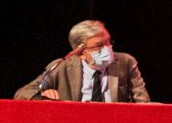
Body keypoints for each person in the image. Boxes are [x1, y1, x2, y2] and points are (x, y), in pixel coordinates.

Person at [14, 19, 150, 103]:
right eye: (99, 45)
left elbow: (143, 103)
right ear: (80, 53)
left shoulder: (126, 62)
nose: (108, 48)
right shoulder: (61, 67)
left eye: (108, 42)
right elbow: (22, 93)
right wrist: (41, 96)